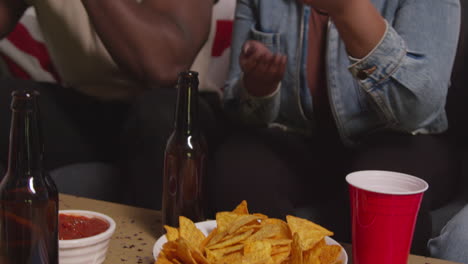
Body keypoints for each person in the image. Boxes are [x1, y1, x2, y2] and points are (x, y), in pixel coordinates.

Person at [207, 0, 461, 255]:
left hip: (402, 138)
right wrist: (259, 89)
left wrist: (348, 10)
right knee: (239, 166)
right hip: (299, 137)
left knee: (383, 187)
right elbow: (239, 110)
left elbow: (419, 110)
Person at [0, 0, 219, 209]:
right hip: (89, 114)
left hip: (176, 110)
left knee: (158, 114)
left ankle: (169, 246)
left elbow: (166, 67)